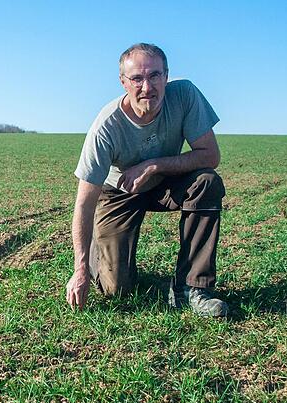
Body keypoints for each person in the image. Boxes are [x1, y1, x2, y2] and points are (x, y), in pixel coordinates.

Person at [65, 43, 229, 317]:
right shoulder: (106, 128)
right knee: (116, 289)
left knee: (206, 182)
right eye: (137, 79)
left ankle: (190, 288)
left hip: (164, 181)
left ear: (166, 76)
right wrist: (79, 269)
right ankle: (100, 258)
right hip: (119, 191)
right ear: (123, 82)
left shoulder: (185, 95)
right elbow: (84, 203)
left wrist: (152, 165)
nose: (147, 87)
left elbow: (210, 156)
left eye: (154, 75)